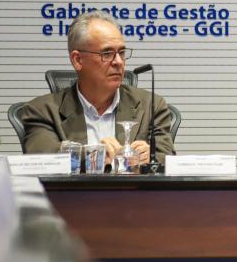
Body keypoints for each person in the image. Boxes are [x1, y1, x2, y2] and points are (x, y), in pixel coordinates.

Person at [21, 11, 175, 168]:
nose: (118, 62)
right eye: (107, 53)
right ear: (78, 60)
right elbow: (40, 158)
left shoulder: (151, 105)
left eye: (121, 52)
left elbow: (168, 158)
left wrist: (151, 158)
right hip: (74, 193)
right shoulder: (42, 111)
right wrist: (94, 155)